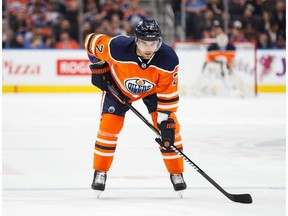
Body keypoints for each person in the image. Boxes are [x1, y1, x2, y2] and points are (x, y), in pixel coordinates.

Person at [84, 19, 187, 197]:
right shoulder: (117, 47)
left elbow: (167, 96)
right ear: (136, 40)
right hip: (117, 88)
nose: (149, 48)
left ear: (159, 42)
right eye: (145, 43)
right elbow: (90, 41)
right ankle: (100, 171)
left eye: (153, 43)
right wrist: (97, 66)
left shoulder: (168, 59)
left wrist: (165, 123)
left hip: (152, 92)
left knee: (170, 131)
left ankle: (176, 172)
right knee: (108, 128)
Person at [192, 28, 246, 96]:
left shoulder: (231, 48)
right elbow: (208, 60)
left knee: (232, 76)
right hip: (214, 66)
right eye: (221, 40)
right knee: (206, 76)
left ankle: (241, 90)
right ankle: (197, 89)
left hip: (226, 66)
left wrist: (226, 65)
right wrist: (216, 61)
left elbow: (232, 60)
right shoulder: (211, 48)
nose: (222, 42)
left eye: (223, 40)